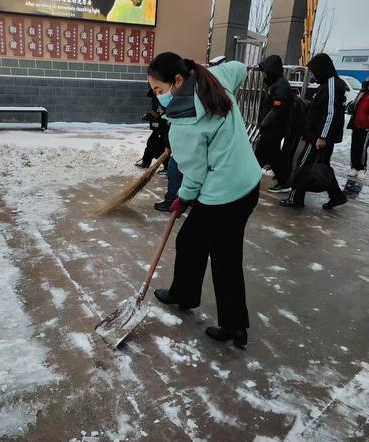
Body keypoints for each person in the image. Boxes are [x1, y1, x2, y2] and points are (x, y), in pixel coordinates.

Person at [148, 52, 261, 349]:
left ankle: (187, 298)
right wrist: (209, 69)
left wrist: (182, 198)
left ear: (178, 81)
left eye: (160, 91)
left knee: (201, 247)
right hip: (248, 184)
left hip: (223, 193)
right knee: (218, 251)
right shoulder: (216, 79)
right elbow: (238, 68)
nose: (158, 97)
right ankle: (231, 323)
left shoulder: (184, 125)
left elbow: (195, 175)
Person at [280, 53, 347, 209]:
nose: (314, 74)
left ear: (323, 69)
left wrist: (322, 136)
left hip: (317, 137)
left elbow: (330, 113)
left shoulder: (331, 85)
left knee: (302, 164)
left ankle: (295, 198)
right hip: (319, 135)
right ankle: (337, 196)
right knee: (323, 167)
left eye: (315, 70)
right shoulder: (328, 84)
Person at [255, 55, 293, 193]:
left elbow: (278, 109)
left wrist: (264, 123)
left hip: (274, 130)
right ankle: (251, 177)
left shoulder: (281, 86)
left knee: (272, 157)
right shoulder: (275, 85)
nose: (264, 74)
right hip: (270, 130)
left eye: (265, 71)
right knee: (265, 155)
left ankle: (284, 182)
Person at [135, 89, 170, 169]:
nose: (155, 91)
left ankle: (167, 168)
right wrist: (149, 115)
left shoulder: (167, 96)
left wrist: (157, 115)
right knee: (151, 144)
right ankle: (145, 163)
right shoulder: (155, 97)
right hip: (158, 127)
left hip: (166, 127)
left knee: (163, 148)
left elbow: (163, 112)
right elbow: (155, 110)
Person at [347, 78, 369, 179]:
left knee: (362, 148)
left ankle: (362, 168)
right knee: (354, 146)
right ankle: (354, 167)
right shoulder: (362, 94)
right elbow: (355, 105)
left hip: (366, 127)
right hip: (356, 125)